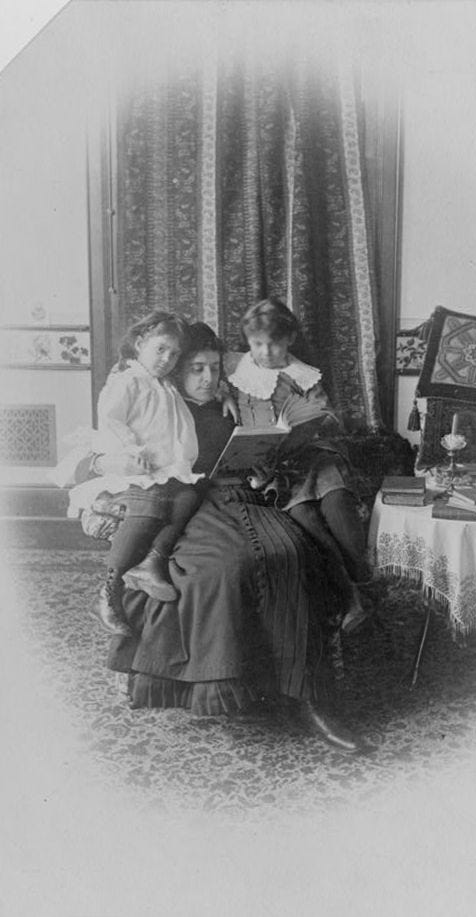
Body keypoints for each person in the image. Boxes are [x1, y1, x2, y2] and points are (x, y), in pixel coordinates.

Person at [105, 322, 366, 753]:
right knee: (222, 568)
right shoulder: (158, 403)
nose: (207, 378)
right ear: (177, 371)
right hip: (191, 505)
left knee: (292, 552)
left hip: (247, 494)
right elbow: (114, 442)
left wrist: (263, 465)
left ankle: (309, 698)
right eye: (196, 369)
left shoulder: (235, 401)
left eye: (213, 368)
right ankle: (229, 686)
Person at [227, 297, 371, 631]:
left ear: (290, 339)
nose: (265, 352)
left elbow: (327, 414)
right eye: (257, 344)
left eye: (274, 344)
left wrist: (316, 420)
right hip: (273, 468)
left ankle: (362, 576)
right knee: (306, 517)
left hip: (311, 453)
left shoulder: (303, 374)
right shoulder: (236, 368)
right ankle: (350, 595)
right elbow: (201, 370)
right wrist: (222, 394)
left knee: (336, 499)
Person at [66, 311, 207, 637]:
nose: (167, 359)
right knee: (151, 506)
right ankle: (108, 591)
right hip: (130, 467)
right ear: (141, 342)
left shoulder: (166, 385)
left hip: (163, 471)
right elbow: (111, 418)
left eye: (174, 354)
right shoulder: (128, 380)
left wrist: (224, 391)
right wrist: (131, 450)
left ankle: (152, 561)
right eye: (161, 349)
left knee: (189, 496)